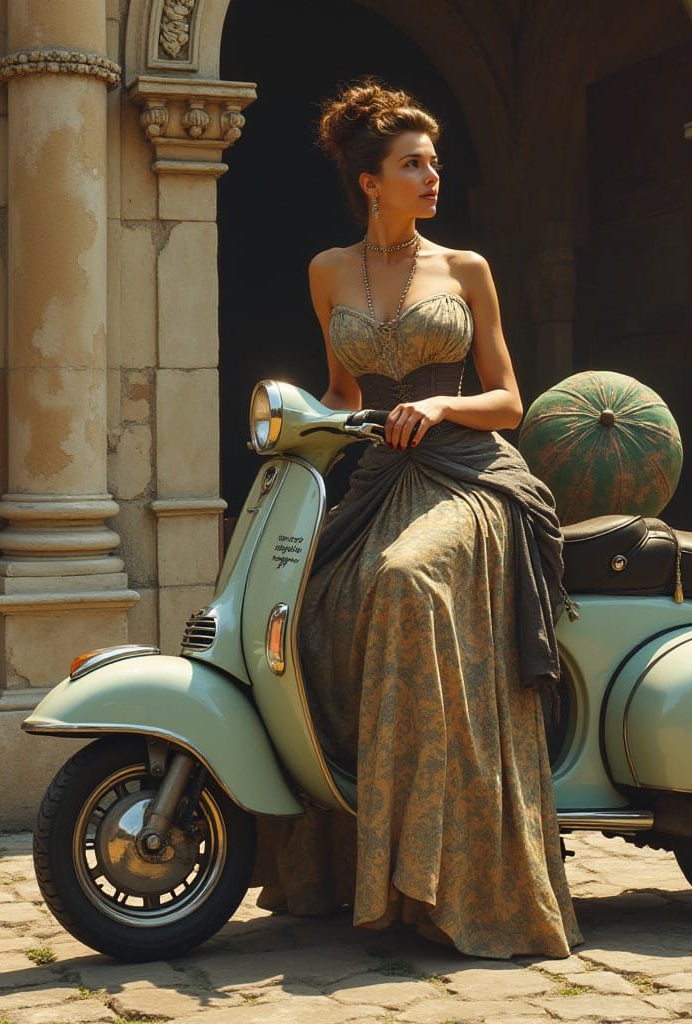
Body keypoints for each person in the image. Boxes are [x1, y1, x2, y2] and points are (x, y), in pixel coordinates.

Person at [252, 76, 582, 960]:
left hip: (472, 477)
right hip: (376, 479)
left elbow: (512, 399)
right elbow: (342, 392)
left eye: (434, 162)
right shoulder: (329, 272)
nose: (433, 176)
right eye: (413, 164)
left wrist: (443, 408)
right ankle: (350, 860)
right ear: (370, 180)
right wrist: (297, 429)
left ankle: (450, 875)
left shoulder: (466, 270)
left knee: (402, 582)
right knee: (307, 614)